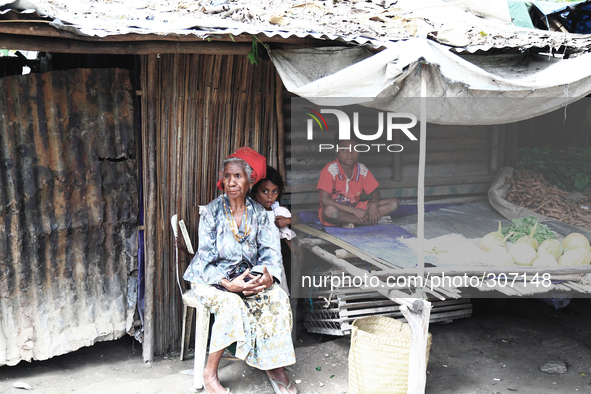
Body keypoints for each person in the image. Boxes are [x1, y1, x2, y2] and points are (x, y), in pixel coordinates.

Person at [183, 147, 297, 394]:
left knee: (277, 296)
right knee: (230, 303)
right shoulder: (212, 212)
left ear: (250, 181)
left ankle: (274, 365)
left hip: (247, 278)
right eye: (227, 176)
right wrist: (227, 284)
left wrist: (263, 278)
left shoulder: (261, 214)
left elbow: (269, 255)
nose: (231, 182)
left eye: (237, 176)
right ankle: (209, 373)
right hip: (209, 278)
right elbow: (204, 257)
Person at [317, 136, 398, 228]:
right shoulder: (330, 170)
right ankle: (366, 222)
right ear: (336, 151)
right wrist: (354, 211)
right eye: (344, 149)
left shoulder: (362, 170)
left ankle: (349, 221)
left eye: (354, 149)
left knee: (393, 204)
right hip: (338, 209)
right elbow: (324, 200)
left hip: (357, 207)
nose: (350, 153)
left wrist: (373, 204)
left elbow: (375, 191)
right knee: (330, 211)